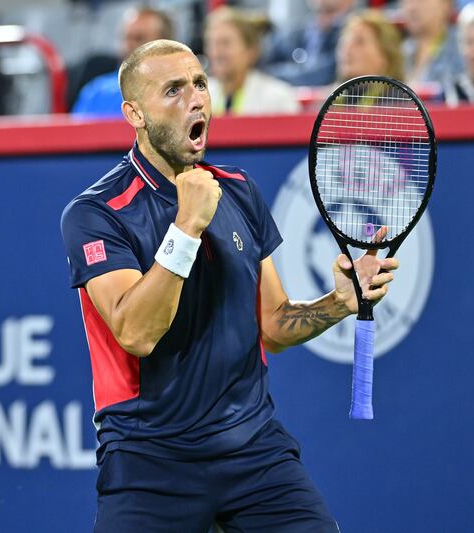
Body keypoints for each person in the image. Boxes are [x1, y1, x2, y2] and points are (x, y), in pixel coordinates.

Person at [60, 39, 398, 532]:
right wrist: (186, 229)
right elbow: (136, 332)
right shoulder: (95, 214)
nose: (196, 98)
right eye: (173, 90)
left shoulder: (237, 189)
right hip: (150, 459)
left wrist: (340, 302)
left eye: (199, 83)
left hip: (253, 451)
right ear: (134, 114)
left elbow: (275, 326)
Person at [71, 8, 173, 119]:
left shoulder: (181, 91)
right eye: (126, 38)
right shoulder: (96, 92)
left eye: (139, 38)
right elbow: (74, 134)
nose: (129, 45)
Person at [205, 7, 300, 116]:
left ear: (250, 51)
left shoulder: (278, 99)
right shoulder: (198, 97)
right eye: (212, 43)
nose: (216, 52)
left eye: (225, 43)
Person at [263, 0, 356, 86]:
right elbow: (262, 61)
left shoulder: (353, 33)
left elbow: (322, 75)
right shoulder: (297, 31)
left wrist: (265, 76)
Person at [400, 0, 465, 87]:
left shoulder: (464, 49)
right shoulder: (401, 51)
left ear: (446, 5)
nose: (411, 8)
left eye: (421, 1)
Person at [336, 9, 404, 83]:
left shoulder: (399, 94)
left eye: (359, 41)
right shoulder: (328, 93)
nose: (347, 48)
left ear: (384, 56)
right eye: (346, 40)